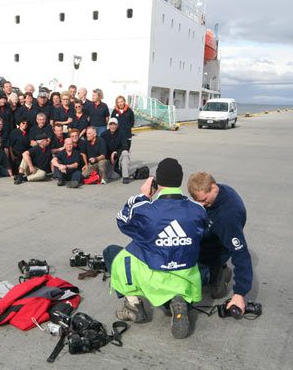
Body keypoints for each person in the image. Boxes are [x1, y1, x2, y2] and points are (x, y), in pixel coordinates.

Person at [103, 158, 208, 339]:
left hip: (153, 274)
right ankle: (175, 303)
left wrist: (144, 196)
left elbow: (122, 219)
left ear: (157, 182)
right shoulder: (198, 209)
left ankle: (134, 306)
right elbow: (204, 233)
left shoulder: (146, 210)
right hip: (185, 276)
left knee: (112, 252)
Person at [187, 172, 253, 313]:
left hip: (214, 251)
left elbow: (240, 253)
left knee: (191, 282)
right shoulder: (211, 193)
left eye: (204, 201)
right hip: (206, 237)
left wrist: (239, 293)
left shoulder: (228, 216)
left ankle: (218, 272)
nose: (201, 205)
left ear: (214, 188)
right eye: (197, 201)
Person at [101, 118, 131, 184]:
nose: (112, 126)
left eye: (114, 124)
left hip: (118, 155)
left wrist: (116, 152)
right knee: (110, 176)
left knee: (125, 153)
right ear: (108, 125)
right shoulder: (103, 135)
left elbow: (125, 146)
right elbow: (102, 149)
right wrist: (109, 156)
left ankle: (125, 177)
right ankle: (118, 171)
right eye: (111, 124)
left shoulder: (122, 133)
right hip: (109, 158)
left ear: (117, 125)